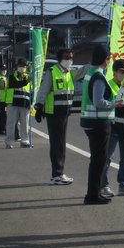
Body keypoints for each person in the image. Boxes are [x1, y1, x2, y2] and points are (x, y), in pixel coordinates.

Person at [79, 44, 115, 205]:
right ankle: (92, 195)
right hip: (98, 123)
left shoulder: (90, 73)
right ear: (105, 59)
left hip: (91, 121)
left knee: (97, 160)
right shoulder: (99, 76)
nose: (110, 62)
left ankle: (94, 193)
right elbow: (98, 101)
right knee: (98, 160)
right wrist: (116, 103)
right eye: (109, 58)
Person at [34, 48, 76, 185]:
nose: (69, 60)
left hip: (64, 112)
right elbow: (43, 90)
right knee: (57, 143)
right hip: (54, 112)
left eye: (71, 57)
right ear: (59, 59)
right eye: (66, 57)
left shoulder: (68, 73)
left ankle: (59, 173)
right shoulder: (52, 72)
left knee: (61, 143)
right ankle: (56, 175)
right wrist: (39, 107)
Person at [101, 57, 124, 198]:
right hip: (112, 126)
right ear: (115, 72)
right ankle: (103, 185)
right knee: (107, 157)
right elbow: (110, 104)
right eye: (122, 71)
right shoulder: (108, 85)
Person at [6, 58, 33, 148]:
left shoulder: (28, 77)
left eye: (24, 66)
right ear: (17, 67)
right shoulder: (11, 77)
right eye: (20, 66)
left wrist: (31, 103)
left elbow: (31, 91)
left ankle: (25, 141)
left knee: (25, 123)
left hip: (25, 103)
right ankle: (9, 142)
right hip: (13, 103)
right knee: (11, 123)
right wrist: (26, 81)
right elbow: (16, 84)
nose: (22, 68)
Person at [0, 64, 9, 138]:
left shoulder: (2, 78)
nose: (4, 71)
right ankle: (2, 130)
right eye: (2, 69)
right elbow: (4, 88)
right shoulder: (1, 79)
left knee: (3, 116)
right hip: (3, 100)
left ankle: (2, 130)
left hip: (4, 100)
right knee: (4, 116)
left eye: (5, 69)